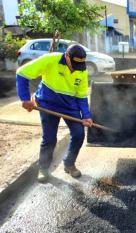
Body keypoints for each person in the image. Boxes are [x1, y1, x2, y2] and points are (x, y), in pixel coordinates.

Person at [16, 44, 93, 183]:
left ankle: (69, 164)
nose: (76, 68)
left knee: (79, 134)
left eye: (79, 65)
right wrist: (25, 99)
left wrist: (86, 116)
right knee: (50, 139)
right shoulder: (50, 60)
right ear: (67, 56)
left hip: (70, 106)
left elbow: (81, 96)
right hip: (48, 104)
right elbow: (22, 73)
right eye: (74, 64)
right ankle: (43, 169)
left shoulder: (82, 70)